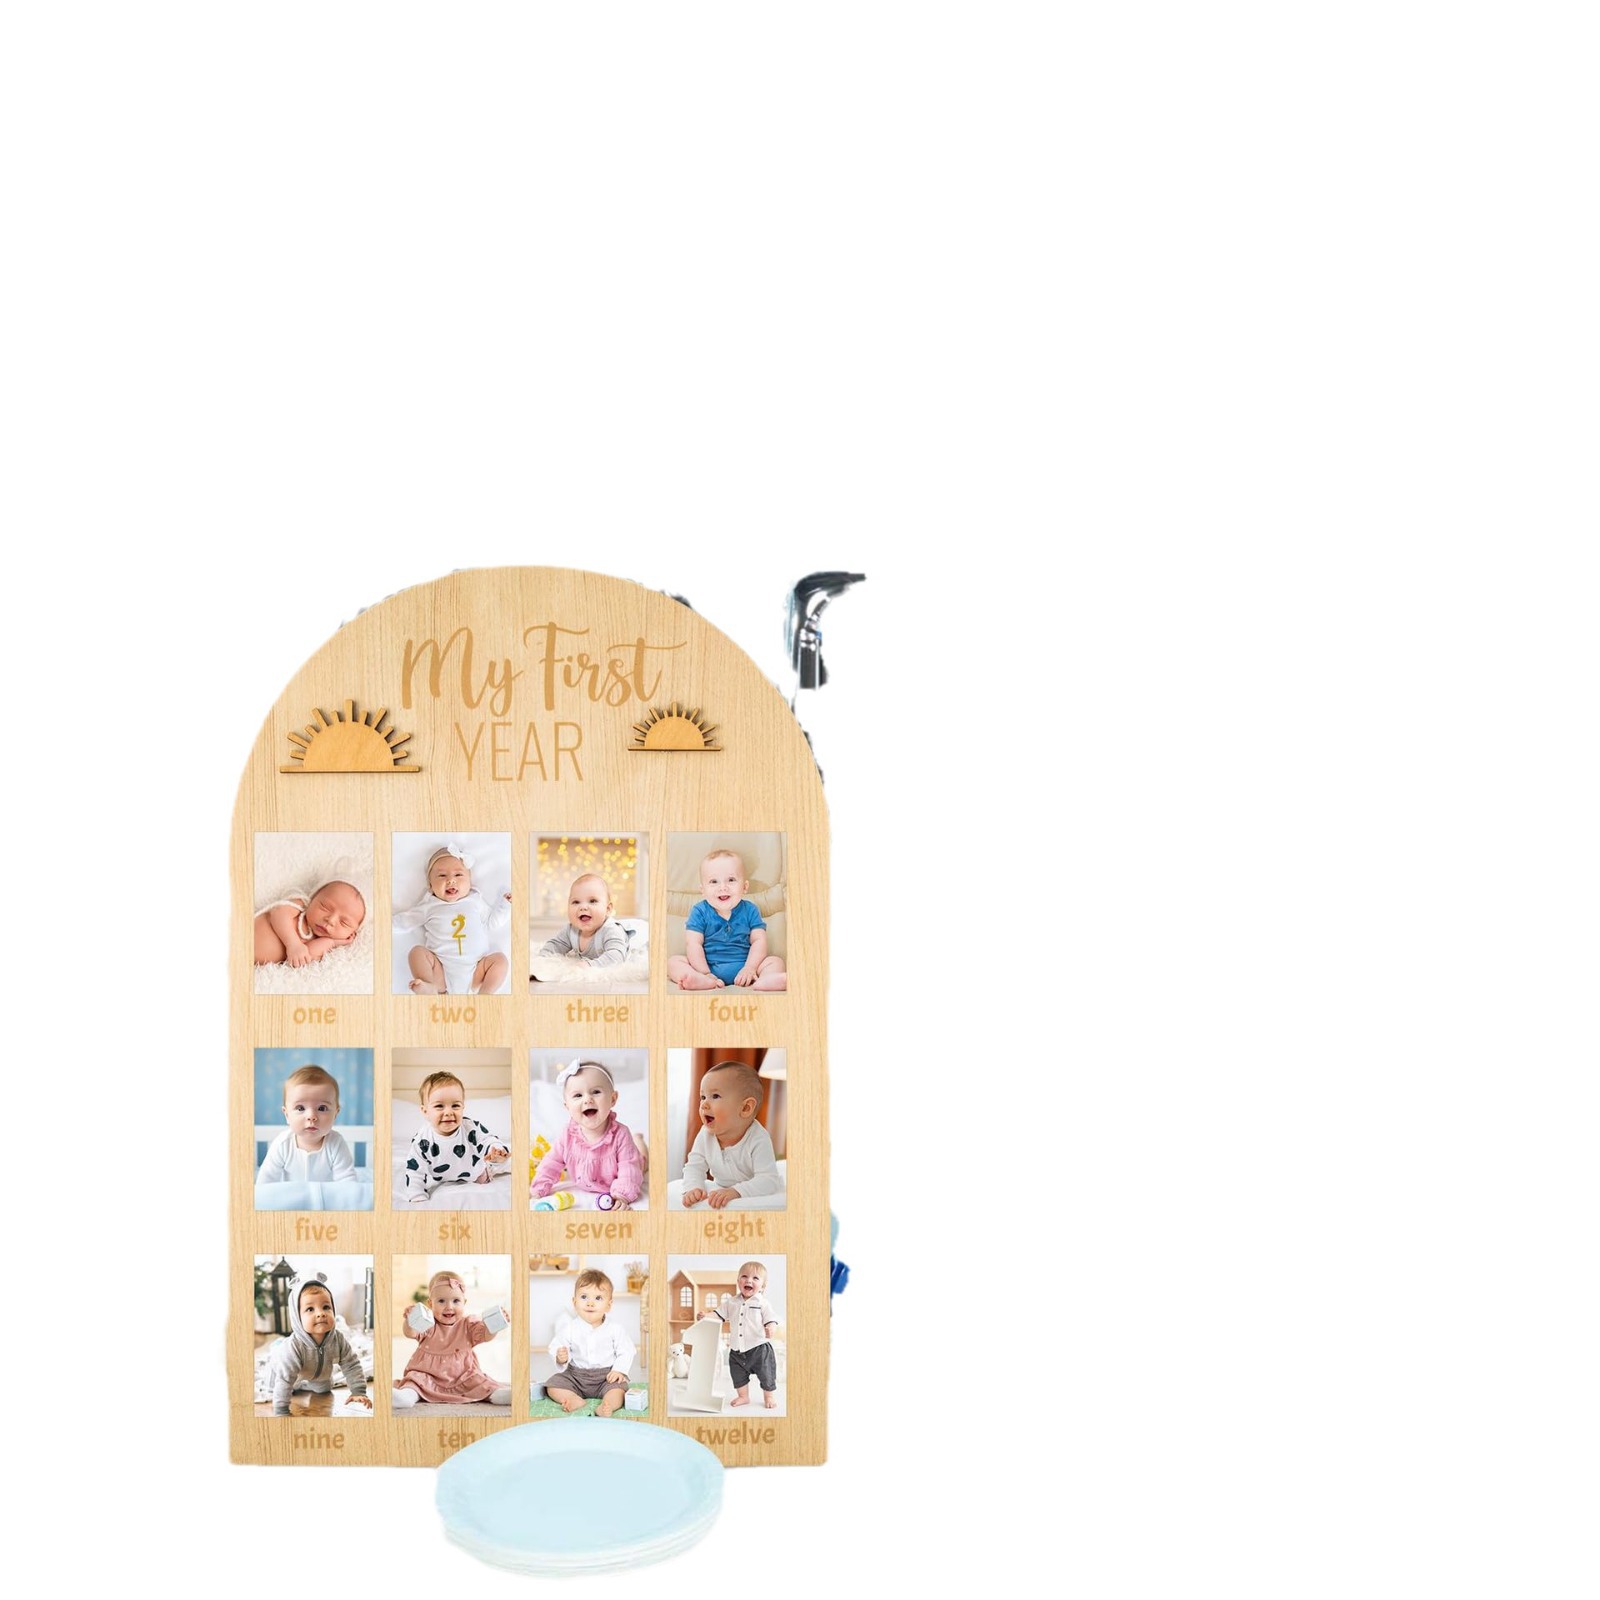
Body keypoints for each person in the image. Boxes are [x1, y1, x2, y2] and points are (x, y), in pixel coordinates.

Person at [394, 843, 510, 994]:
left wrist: (505, 905)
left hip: (476, 971)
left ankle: (485, 994)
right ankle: (429, 985)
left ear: (469, 881)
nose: (450, 880)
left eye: (458, 875)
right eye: (442, 875)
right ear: (430, 885)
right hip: (441, 972)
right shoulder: (429, 906)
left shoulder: (474, 901)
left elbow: (492, 922)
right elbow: (406, 920)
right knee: (416, 953)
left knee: (500, 961)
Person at [667, 849, 786, 991]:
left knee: (775, 961)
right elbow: (693, 944)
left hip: (745, 967)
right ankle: (702, 981)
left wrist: (750, 968)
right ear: (703, 890)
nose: (723, 887)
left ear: (744, 887)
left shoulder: (750, 910)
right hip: (708, 968)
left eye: (731, 880)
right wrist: (704, 972)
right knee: (673, 962)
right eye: (714, 881)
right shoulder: (699, 911)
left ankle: (765, 981)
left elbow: (759, 941)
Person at [530, 1061, 644, 1209]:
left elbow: (629, 1169)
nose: (587, 1099)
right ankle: (638, 1140)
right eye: (578, 1095)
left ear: (613, 1099)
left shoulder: (621, 1134)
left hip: (632, 1163)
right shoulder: (567, 1135)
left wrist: (622, 1195)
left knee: (641, 1161)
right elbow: (551, 1163)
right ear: (567, 1107)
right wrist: (538, 1188)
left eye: (596, 1092)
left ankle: (639, 1140)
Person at [392, 1270, 511, 1408]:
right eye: (441, 1301)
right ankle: (406, 1397)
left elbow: (485, 1335)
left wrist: (494, 1325)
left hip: (463, 1376)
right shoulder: (428, 1323)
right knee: (414, 1380)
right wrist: (410, 1320)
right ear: (430, 1304)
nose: (449, 1307)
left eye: (456, 1301)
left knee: (480, 1381)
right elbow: (410, 1333)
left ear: (464, 1302)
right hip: (428, 1375)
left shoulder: (468, 1324)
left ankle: (498, 1395)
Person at [681, 1060, 782, 1208]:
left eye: (715, 1096)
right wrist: (693, 1187)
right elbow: (694, 1166)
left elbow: (768, 1181)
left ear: (746, 1108)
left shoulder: (758, 1138)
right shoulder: (705, 1134)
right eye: (703, 1097)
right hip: (721, 1189)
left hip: (753, 1193)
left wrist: (736, 1191)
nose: (704, 1104)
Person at [268, 1274, 372, 1415]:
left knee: (324, 1389)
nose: (320, 1313)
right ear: (297, 1317)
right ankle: (288, 1384)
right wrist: (281, 1410)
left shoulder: (338, 1339)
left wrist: (358, 1391)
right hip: (286, 1371)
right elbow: (284, 1380)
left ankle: (307, 1383)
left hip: (319, 1374)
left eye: (326, 1307)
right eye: (310, 1309)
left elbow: (351, 1364)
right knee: (280, 1388)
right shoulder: (293, 1348)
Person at [401, 1072, 509, 1203]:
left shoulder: (470, 1127)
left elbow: (487, 1139)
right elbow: (414, 1171)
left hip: (478, 1173)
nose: (448, 1112)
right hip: (444, 1178)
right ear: (425, 1111)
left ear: (463, 1107)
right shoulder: (422, 1141)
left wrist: (495, 1149)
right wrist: (417, 1196)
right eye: (439, 1106)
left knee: (503, 1163)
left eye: (455, 1105)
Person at [545, 1269, 634, 1416]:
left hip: (606, 1377)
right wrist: (561, 1357)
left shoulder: (615, 1328)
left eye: (598, 1298)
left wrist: (618, 1370)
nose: (590, 1303)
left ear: (609, 1305)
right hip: (576, 1376)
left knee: (619, 1390)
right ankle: (573, 1399)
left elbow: (627, 1350)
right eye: (584, 1297)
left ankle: (607, 1405)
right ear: (574, 1302)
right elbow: (556, 1345)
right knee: (553, 1385)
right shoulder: (569, 1328)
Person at [702, 1261, 781, 1410]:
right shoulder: (731, 1302)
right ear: (738, 1281)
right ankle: (744, 1396)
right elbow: (719, 1315)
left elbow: (771, 1319)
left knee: (767, 1374)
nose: (749, 1280)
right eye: (744, 1276)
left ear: (763, 1286)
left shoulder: (763, 1303)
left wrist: (771, 1327)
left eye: (755, 1278)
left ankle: (768, 1396)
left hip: (759, 1349)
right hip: (737, 1350)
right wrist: (706, 1316)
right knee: (738, 1375)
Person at [258, 1065, 356, 1183]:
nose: (311, 1116)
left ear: (335, 1114)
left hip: (325, 1195)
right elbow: (266, 1180)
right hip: (291, 1194)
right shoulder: (282, 1144)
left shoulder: (336, 1143)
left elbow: (347, 1181)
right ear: (287, 1115)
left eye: (322, 1108)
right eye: (300, 1108)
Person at [254, 879, 365, 967]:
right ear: (313, 898)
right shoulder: (301, 906)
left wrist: (331, 943)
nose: (330, 920)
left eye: (344, 923)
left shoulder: (317, 941)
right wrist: (293, 944)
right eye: (325, 907)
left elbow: (307, 957)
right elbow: (278, 913)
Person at [535, 872, 629, 966]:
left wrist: (591, 965)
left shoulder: (611, 930)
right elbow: (555, 945)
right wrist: (541, 959)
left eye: (592, 901)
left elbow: (616, 957)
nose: (583, 907)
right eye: (576, 902)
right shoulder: (571, 930)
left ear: (607, 909)